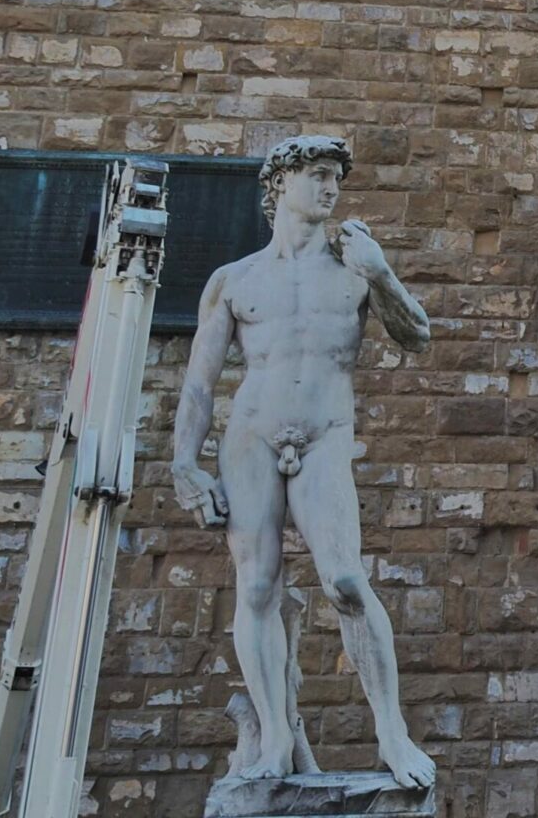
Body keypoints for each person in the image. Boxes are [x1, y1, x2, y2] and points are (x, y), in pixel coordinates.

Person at [172, 135, 436, 788]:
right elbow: (200, 384)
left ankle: (392, 735)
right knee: (258, 588)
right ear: (280, 184)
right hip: (251, 438)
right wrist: (185, 463)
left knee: (345, 580)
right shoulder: (234, 281)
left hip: (324, 438)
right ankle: (275, 742)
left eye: (335, 178)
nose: (330, 188)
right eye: (317, 175)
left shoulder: (355, 268)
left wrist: (382, 272)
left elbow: (418, 336)